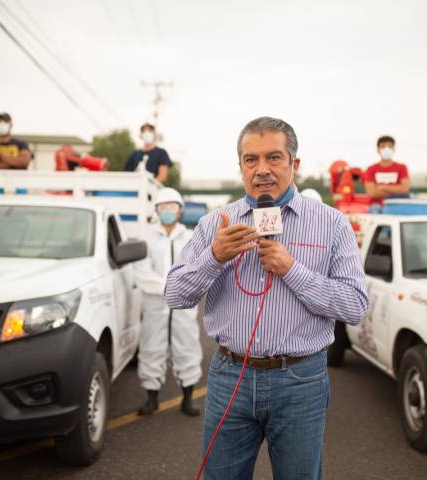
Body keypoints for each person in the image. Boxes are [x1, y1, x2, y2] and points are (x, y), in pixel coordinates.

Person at [164, 116, 368, 479]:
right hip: (229, 376)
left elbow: (355, 306)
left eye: (274, 158)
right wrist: (214, 257)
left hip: (300, 380)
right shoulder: (217, 224)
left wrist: (292, 269)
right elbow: (175, 294)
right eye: (250, 159)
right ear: (240, 165)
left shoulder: (331, 224)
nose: (262, 170)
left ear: (295, 164)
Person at [131, 187, 203, 417]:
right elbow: (141, 272)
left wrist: (182, 289)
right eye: (164, 208)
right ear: (157, 211)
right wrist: (168, 287)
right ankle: (152, 398)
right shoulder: (147, 237)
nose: (168, 212)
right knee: (152, 347)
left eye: (172, 207)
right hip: (155, 305)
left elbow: (197, 269)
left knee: (187, 347)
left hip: (184, 305)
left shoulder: (192, 238)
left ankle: (188, 398)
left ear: (180, 210)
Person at [362, 135, 410, 207]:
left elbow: (404, 189)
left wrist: (382, 187)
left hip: (398, 205)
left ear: (394, 149)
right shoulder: (371, 169)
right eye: (383, 146)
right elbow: (371, 193)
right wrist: (396, 190)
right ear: (378, 150)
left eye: (390, 146)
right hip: (376, 206)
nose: (386, 149)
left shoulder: (402, 167)